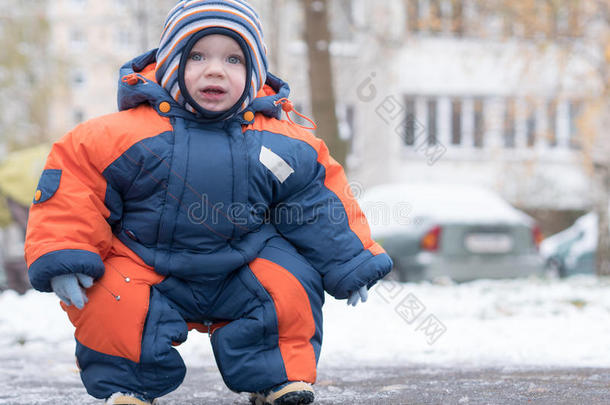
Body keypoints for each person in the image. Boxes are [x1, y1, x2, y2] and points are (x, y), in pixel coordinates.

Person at [24, 1, 392, 404]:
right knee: (111, 297)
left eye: (234, 59)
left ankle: (277, 377)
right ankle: (128, 385)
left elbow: (316, 202)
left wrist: (350, 261)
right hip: (145, 263)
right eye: (196, 55)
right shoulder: (120, 135)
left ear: (254, 74)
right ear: (169, 63)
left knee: (290, 285)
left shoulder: (280, 140)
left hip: (243, 265)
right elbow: (75, 186)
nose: (215, 69)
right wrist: (65, 253)